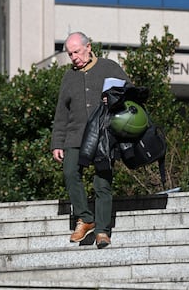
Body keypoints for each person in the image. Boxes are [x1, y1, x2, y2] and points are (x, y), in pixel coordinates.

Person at [50, 31, 131, 249]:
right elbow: (61, 113)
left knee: (102, 182)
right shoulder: (68, 77)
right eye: (70, 54)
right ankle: (86, 218)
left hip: (103, 134)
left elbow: (129, 92)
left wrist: (114, 97)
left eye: (76, 51)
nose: (74, 57)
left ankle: (103, 231)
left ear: (88, 47)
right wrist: (57, 142)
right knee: (69, 172)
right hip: (75, 135)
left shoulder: (109, 67)